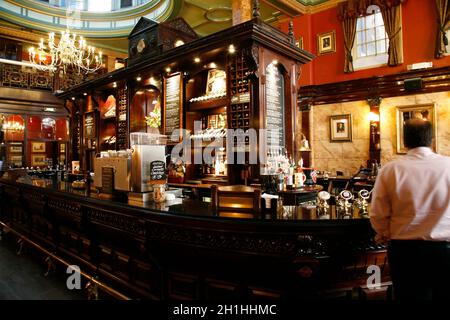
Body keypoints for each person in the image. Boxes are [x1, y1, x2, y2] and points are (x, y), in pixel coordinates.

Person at [370, 119, 450, 300]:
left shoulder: (390, 170)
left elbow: (378, 213)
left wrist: (384, 233)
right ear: (432, 140)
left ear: (405, 141)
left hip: (405, 251)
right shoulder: (449, 166)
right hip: (446, 249)